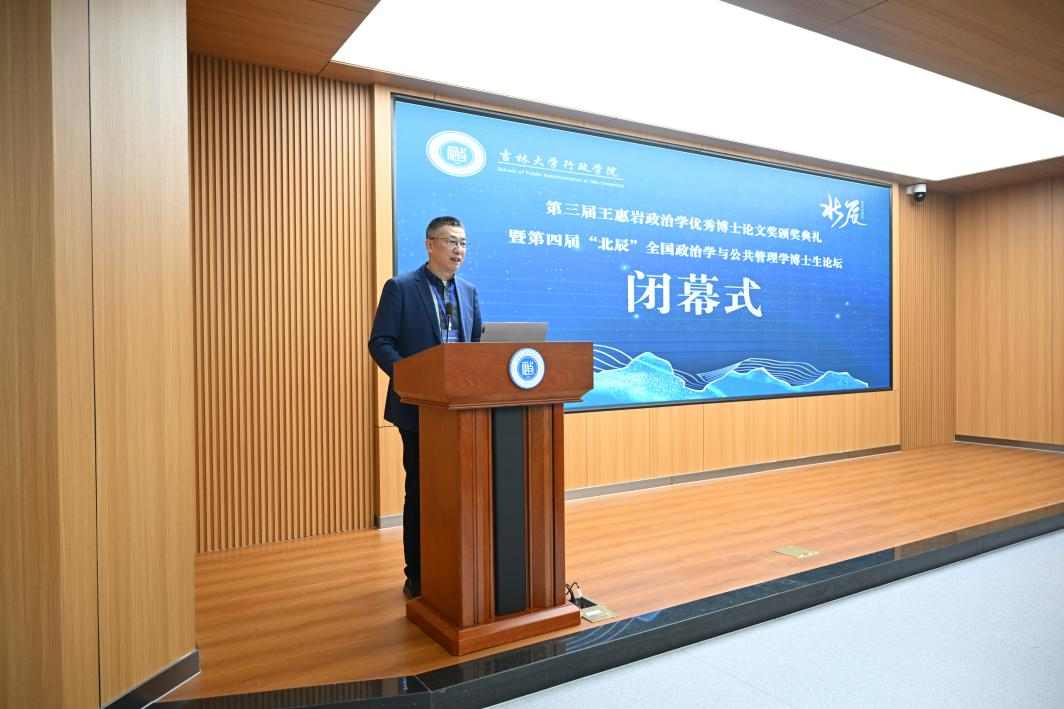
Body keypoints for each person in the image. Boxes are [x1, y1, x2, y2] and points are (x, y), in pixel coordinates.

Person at [368, 216, 482, 599]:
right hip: (418, 409)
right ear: (430, 244)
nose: (458, 250)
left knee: (458, 492)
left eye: (463, 243)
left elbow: (474, 350)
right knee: (420, 490)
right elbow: (380, 343)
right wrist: (411, 378)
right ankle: (416, 573)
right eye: (452, 242)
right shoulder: (401, 288)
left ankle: (454, 566)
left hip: (461, 411)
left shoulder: (468, 292)